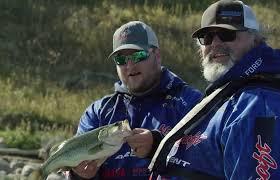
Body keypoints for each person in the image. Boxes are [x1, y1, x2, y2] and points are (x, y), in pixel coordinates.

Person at [130, 1, 280, 179]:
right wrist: (157, 145)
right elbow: (210, 159)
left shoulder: (259, 106)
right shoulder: (233, 93)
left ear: (255, 38)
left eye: (226, 34)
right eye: (207, 37)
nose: (215, 43)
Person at [68, 21, 202, 179]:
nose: (129, 65)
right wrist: (79, 175)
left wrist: (157, 147)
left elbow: (207, 163)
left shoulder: (192, 103)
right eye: (121, 60)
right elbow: (74, 163)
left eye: (138, 55)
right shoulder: (97, 112)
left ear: (157, 56)